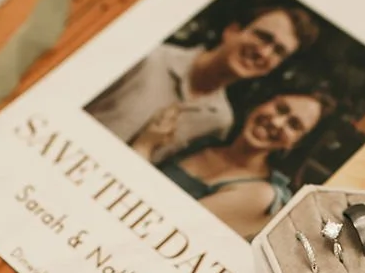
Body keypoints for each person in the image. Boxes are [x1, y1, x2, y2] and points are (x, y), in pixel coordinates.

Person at [84, 0, 319, 162]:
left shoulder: (219, 121)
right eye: (262, 36)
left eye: (278, 51)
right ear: (232, 31)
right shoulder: (149, 56)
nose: (264, 53)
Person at [134, 91, 333, 240]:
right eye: (280, 109)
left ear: (295, 143)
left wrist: (144, 145)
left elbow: (165, 233)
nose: (278, 122)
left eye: (294, 125)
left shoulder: (261, 195)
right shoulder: (206, 142)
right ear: (263, 102)